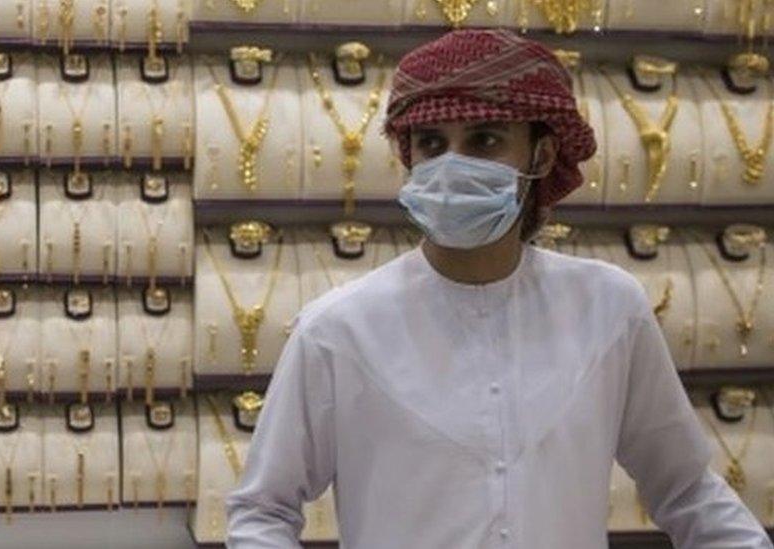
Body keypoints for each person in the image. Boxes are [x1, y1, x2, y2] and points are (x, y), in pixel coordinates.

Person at [224, 28, 774, 549]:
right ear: (407, 156)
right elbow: (263, 512)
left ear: (542, 154)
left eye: (485, 140)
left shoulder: (609, 309)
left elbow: (686, 488)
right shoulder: (338, 330)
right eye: (432, 143)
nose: (452, 163)